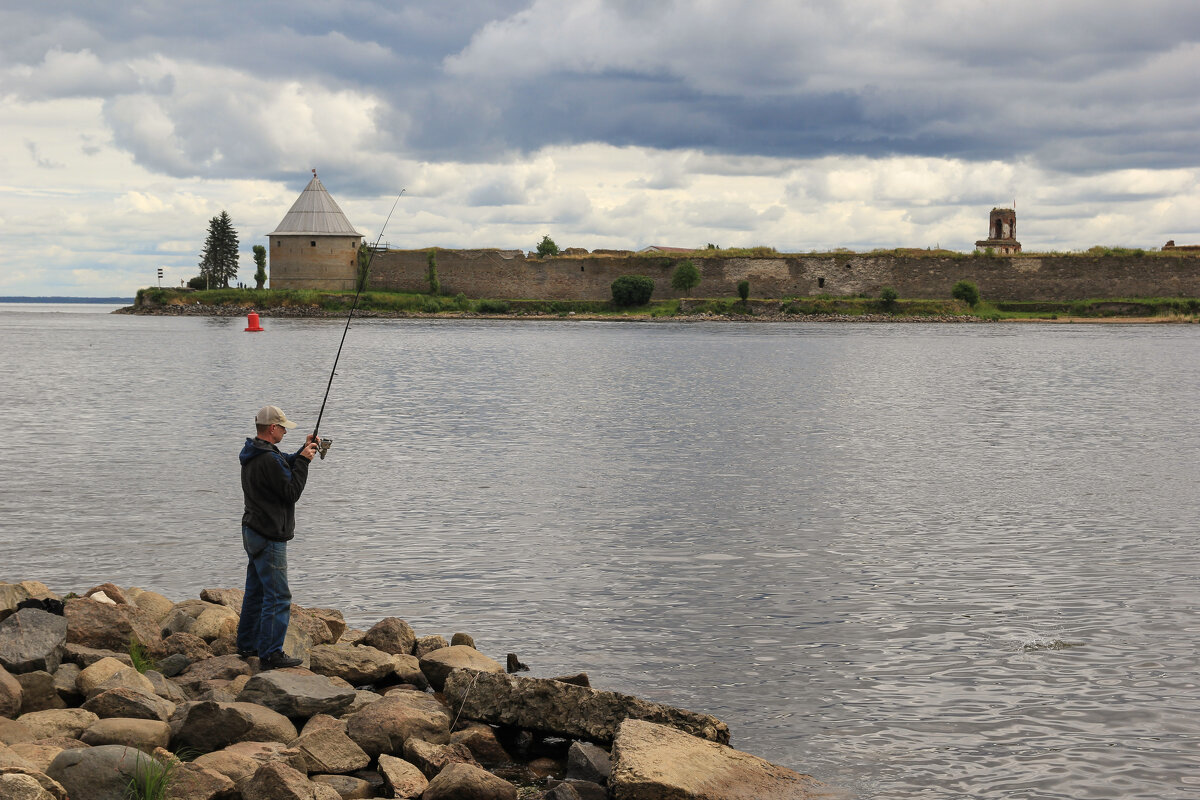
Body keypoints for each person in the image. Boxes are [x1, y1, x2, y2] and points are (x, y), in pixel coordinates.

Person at [236, 405, 320, 669]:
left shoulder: (256, 452)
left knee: (256, 592)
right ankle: (271, 654)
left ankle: (248, 644)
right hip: (269, 535)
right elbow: (291, 491)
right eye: (283, 427)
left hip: (252, 530)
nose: (285, 430)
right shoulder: (268, 459)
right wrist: (305, 462)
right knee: (279, 596)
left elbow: (283, 463)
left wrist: (302, 451)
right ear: (272, 428)